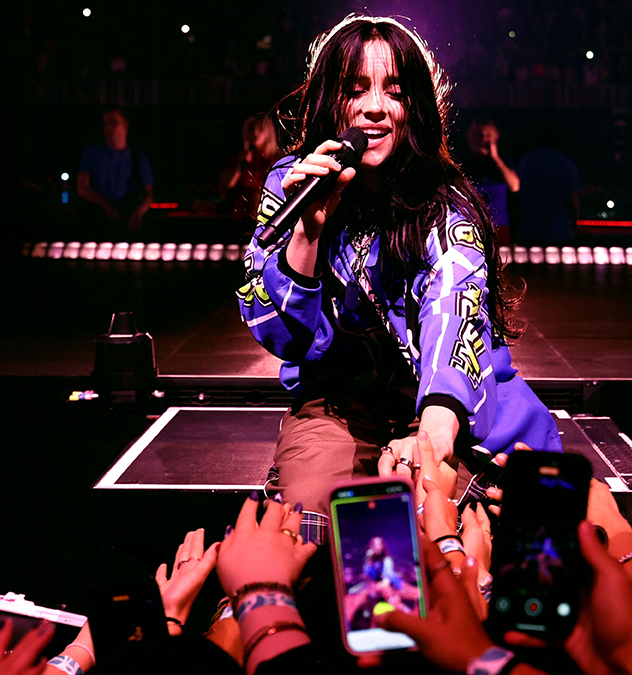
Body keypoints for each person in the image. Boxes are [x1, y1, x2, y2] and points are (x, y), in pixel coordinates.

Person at [237, 15, 561, 539]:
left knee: (440, 518)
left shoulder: (447, 207)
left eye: (394, 90)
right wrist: (308, 233)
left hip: (439, 400)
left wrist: (430, 441)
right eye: (355, 89)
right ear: (329, 100)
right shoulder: (290, 185)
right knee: (314, 529)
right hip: (339, 403)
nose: (374, 108)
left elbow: (452, 315)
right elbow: (279, 335)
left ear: (415, 107)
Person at [76, 107, 155, 236]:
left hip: (128, 217)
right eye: (106, 124)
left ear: (125, 125)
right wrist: (107, 206)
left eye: (113, 123)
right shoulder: (92, 153)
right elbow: (82, 188)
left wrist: (138, 213)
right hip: (99, 218)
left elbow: (149, 193)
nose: (108, 128)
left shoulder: (138, 158)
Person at [516, 125, 580, 245]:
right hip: (558, 233)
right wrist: (574, 223)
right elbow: (574, 201)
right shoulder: (566, 163)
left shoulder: (526, 161)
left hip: (528, 232)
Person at [461, 117, 519, 246]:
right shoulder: (463, 163)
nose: (483, 140)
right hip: (471, 227)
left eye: (488, 135)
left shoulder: (504, 162)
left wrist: (495, 158)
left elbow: (515, 186)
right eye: (479, 135)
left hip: (499, 226)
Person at [221, 114, 281, 223]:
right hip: (240, 217)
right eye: (251, 129)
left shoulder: (276, 160)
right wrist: (241, 165)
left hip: (267, 218)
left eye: (260, 129)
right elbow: (224, 189)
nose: (255, 133)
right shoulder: (238, 158)